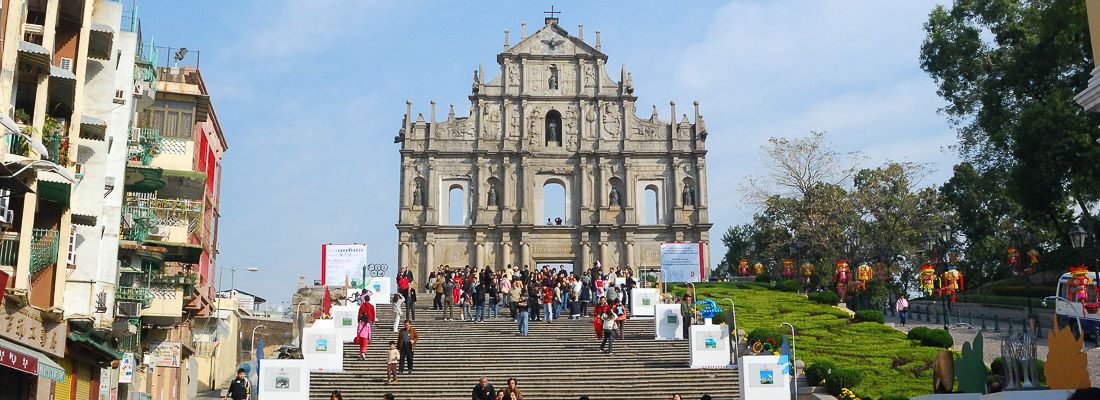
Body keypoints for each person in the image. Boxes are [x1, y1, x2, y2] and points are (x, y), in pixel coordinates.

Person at [357, 295, 376, 359]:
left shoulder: (362, 306)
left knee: (364, 331)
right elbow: (373, 313)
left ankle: (361, 352)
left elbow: (359, 313)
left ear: (364, 299)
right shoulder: (371, 306)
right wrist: (373, 320)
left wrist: (359, 319)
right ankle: (369, 339)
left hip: (363, 319)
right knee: (368, 331)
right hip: (369, 319)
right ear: (369, 299)